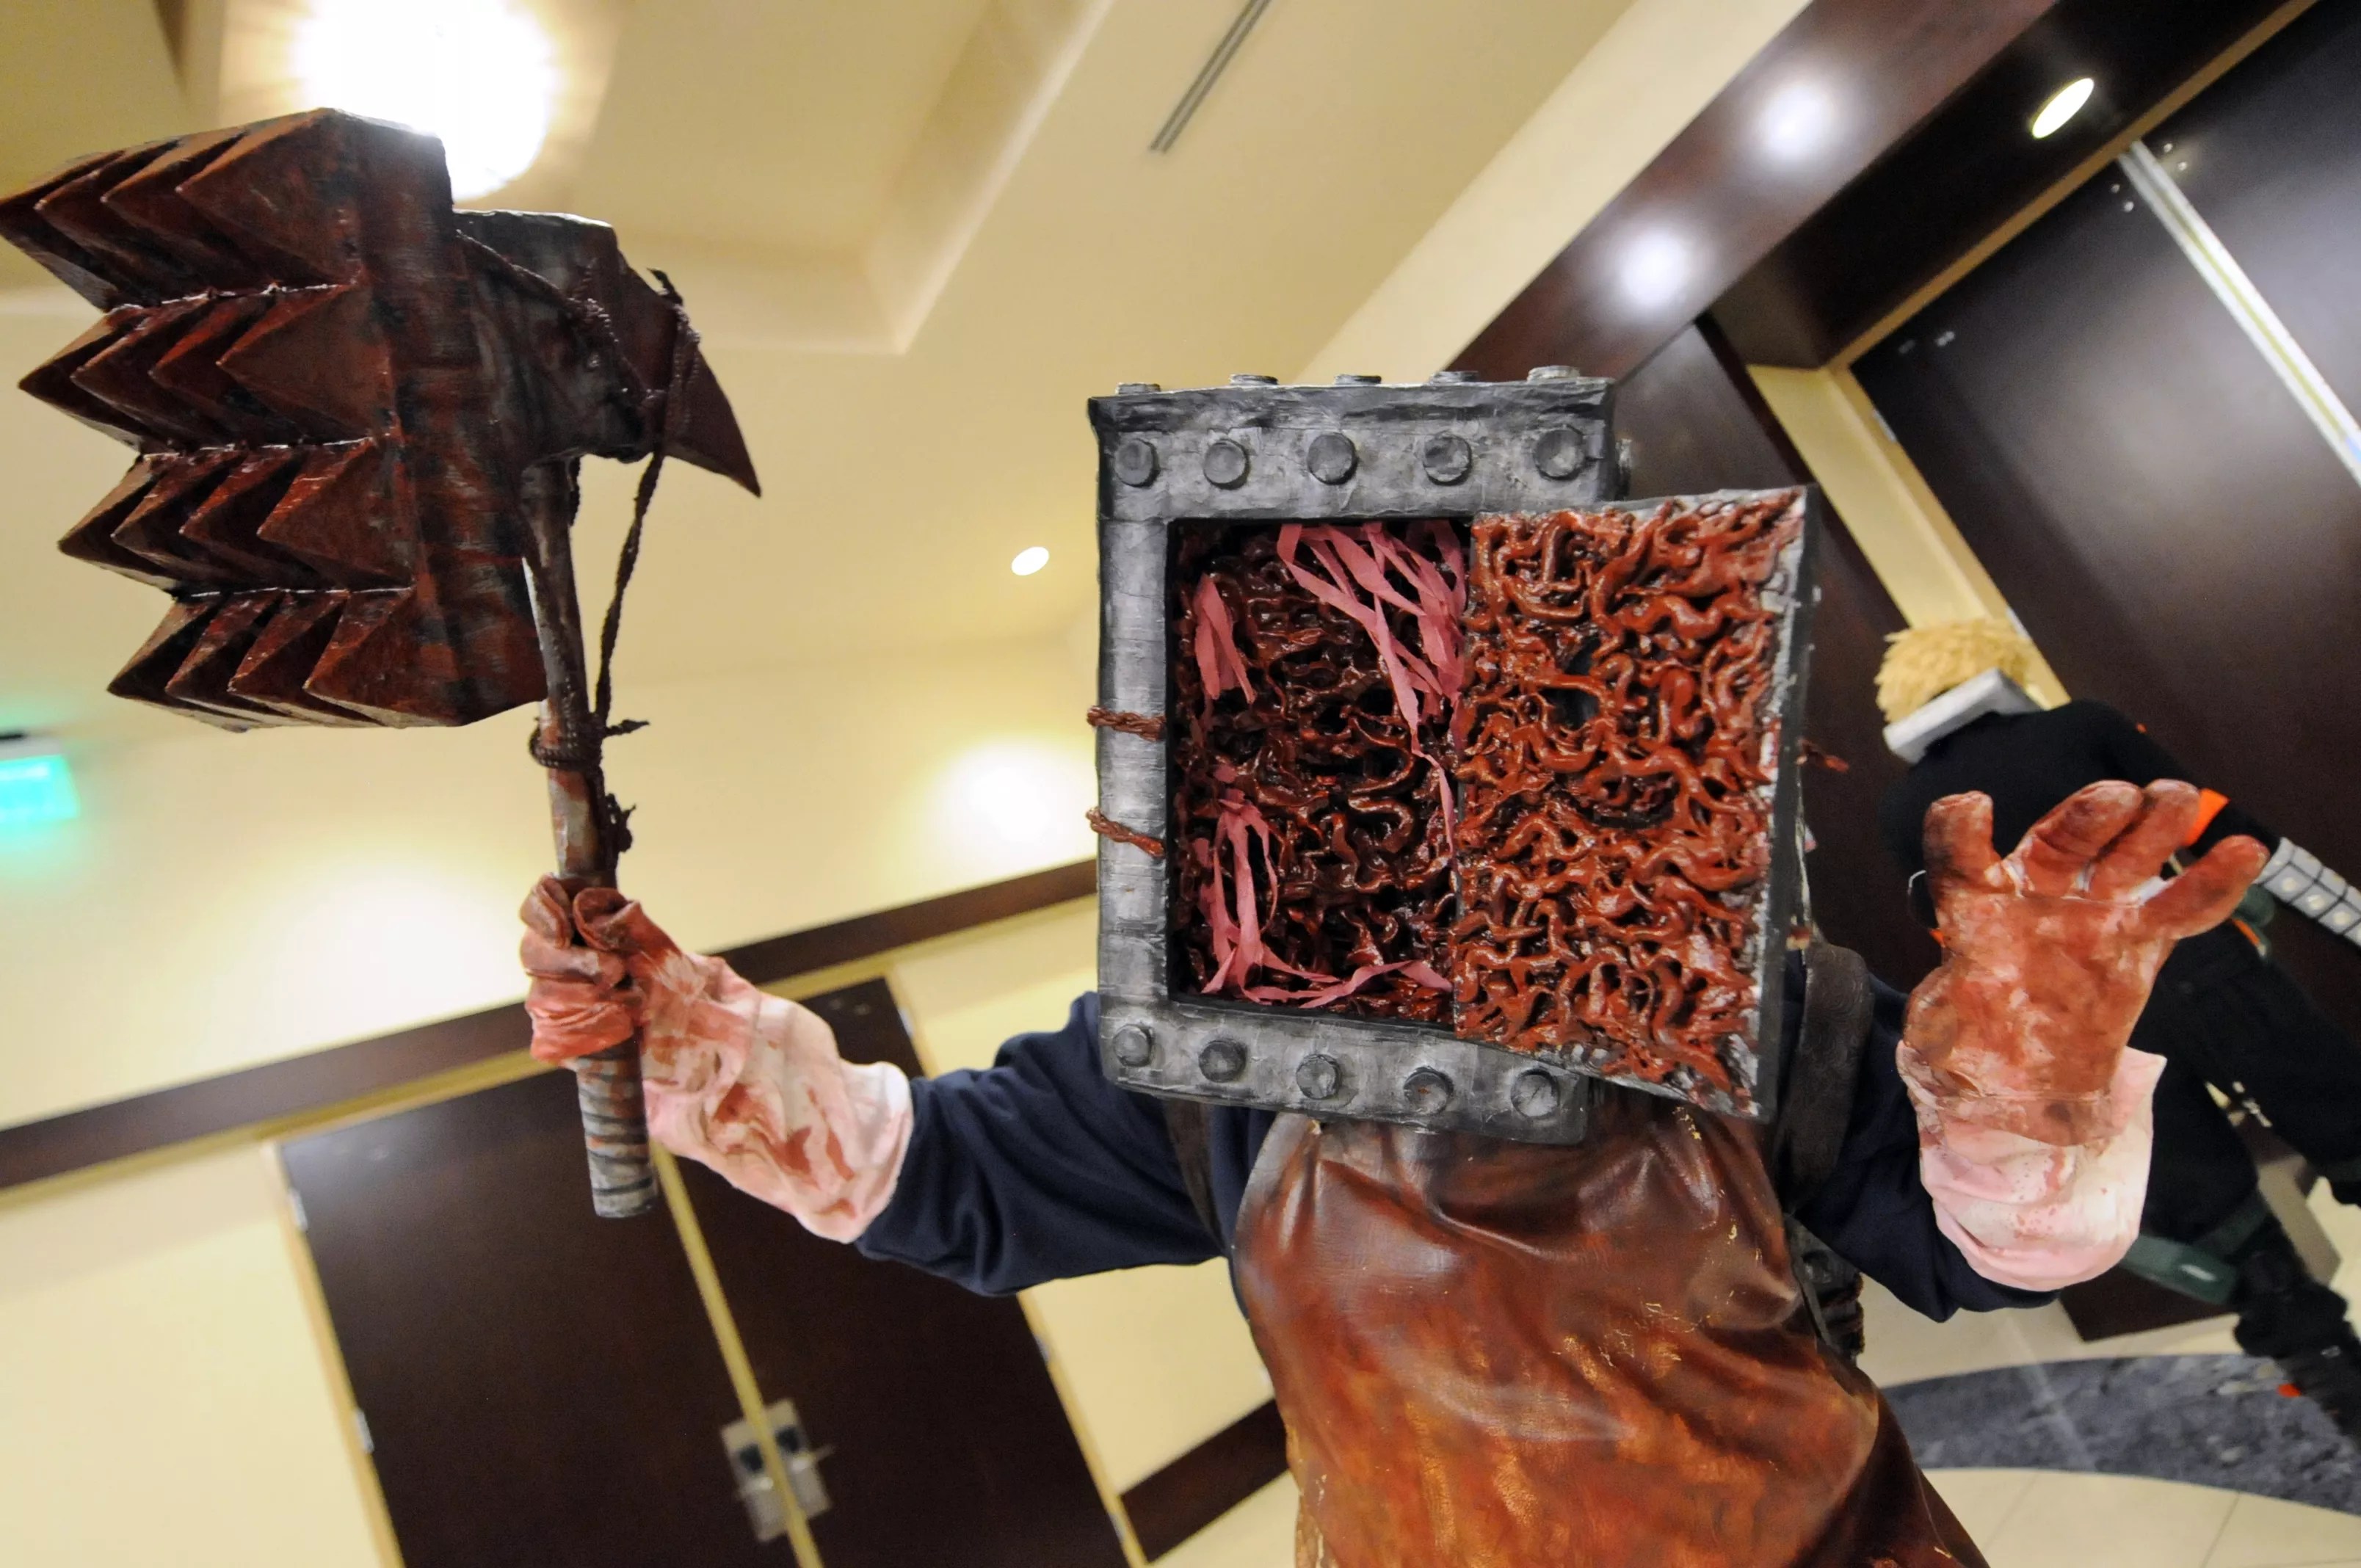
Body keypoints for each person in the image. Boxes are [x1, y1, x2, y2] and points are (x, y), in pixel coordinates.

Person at [523, 777, 2260, 1567]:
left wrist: (2026, 1082)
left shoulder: (1720, 976)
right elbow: (933, 1174)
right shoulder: (1199, 1042)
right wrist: (688, 1033)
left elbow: (1978, 1247)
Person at [1876, 619, 2361, 1443]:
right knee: (2348, 1121)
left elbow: (1968, 957)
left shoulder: (1903, 812)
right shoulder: (2083, 727)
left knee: (2222, 1223)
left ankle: (2344, 1392)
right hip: (2194, 963)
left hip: (2077, 1032)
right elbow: (2230, 834)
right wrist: (2349, 917)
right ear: (2002, 666)